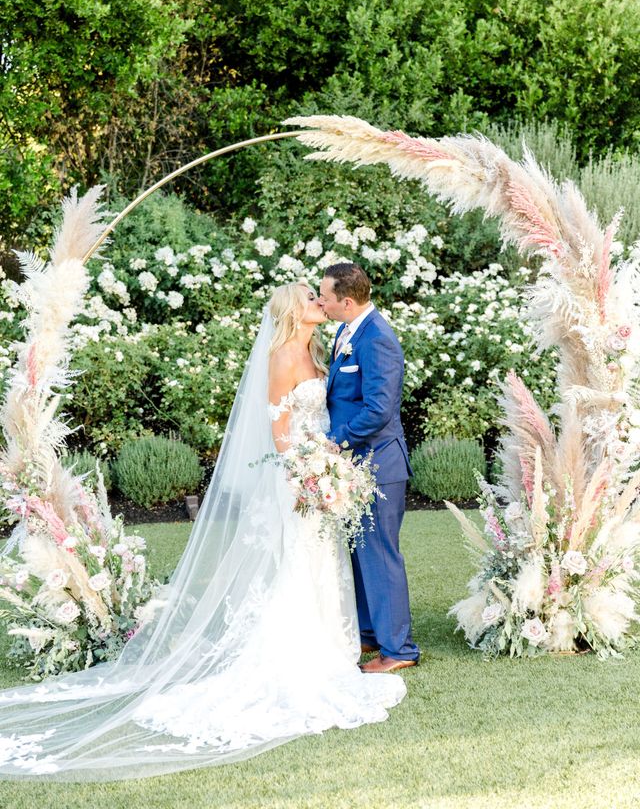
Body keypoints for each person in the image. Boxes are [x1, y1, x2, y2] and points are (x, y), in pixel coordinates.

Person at [0, 282, 406, 782]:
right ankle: (303, 649)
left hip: (320, 475)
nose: (318, 303)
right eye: (309, 299)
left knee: (326, 560)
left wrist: (324, 464)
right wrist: (308, 468)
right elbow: (279, 432)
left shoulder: (323, 347)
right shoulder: (280, 357)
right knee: (302, 562)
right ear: (291, 312)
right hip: (300, 478)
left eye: (319, 297)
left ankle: (341, 639)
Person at [319, 264, 419, 673]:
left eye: (324, 296)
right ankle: (371, 634)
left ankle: (399, 650)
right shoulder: (347, 330)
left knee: (380, 555)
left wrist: (335, 442)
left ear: (346, 301)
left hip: (378, 464)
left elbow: (379, 410)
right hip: (355, 466)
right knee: (361, 554)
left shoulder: (377, 339)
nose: (319, 301)